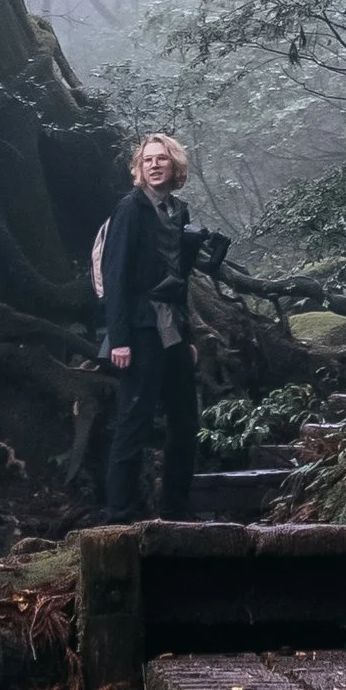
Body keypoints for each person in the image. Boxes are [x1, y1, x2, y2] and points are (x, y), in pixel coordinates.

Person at [99, 132, 225, 521]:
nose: (154, 165)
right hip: (139, 329)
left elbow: (179, 278)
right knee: (134, 420)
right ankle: (119, 516)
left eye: (162, 159)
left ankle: (175, 510)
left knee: (185, 420)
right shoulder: (130, 209)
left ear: (175, 166)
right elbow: (114, 276)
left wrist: (188, 337)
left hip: (173, 330)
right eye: (148, 160)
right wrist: (119, 339)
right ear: (139, 168)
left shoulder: (177, 211)